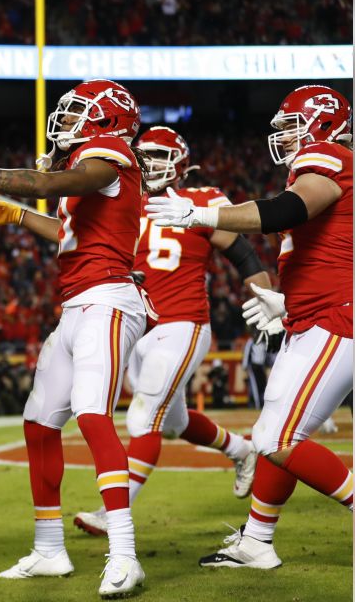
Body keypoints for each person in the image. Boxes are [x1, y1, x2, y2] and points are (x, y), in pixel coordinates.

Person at [0, 78, 150, 597]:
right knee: (40, 423)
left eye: (79, 113)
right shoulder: (89, 169)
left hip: (108, 300)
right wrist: (17, 215)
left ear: (108, 121)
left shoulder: (108, 153)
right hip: (78, 305)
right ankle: (48, 548)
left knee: (90, 413)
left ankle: (125, 555)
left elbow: (45, 187)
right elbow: (68, 233)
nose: (66, 121)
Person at [147, 84, 354, 569]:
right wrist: (289, 300)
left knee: (277, 440)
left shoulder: (329, 157)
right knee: (274, 435)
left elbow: (291, 209)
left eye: (290, 126)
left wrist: (203, 214)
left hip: (338, 318)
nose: (283, 137)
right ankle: (257, 542)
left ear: (323, 125)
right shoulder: (334, 164)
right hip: (318, 313)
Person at [73, 126, 270, 537]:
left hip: (182, 322)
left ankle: (115, 514)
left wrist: (266, 306)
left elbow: (243, 253)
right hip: (137, 325)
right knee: (174, 420)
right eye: (147, 154)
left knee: (144, 416)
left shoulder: (201, 201)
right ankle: (242, 450)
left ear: (182, 165)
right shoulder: (120, 198)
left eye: (163, 155)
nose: (155, 163)